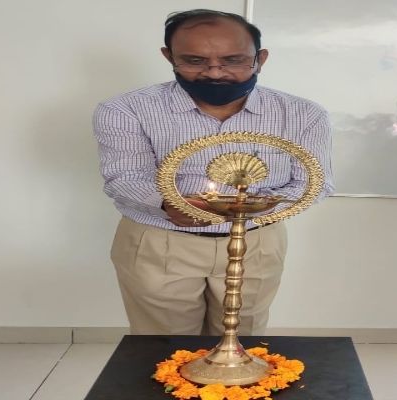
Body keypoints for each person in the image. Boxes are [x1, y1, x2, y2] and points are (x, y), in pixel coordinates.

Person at [92, 9, 334, 336]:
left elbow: (313, 183)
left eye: (233, 60)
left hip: (256, 240)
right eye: (195, 61)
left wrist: (251, 208)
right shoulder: (126, 110)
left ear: (260, 59)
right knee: (163, 346)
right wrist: (166, 204)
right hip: (162, 240)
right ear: (169, 56)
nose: (215, 72)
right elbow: (126, 177)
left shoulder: (303, 114)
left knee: (242, 343)